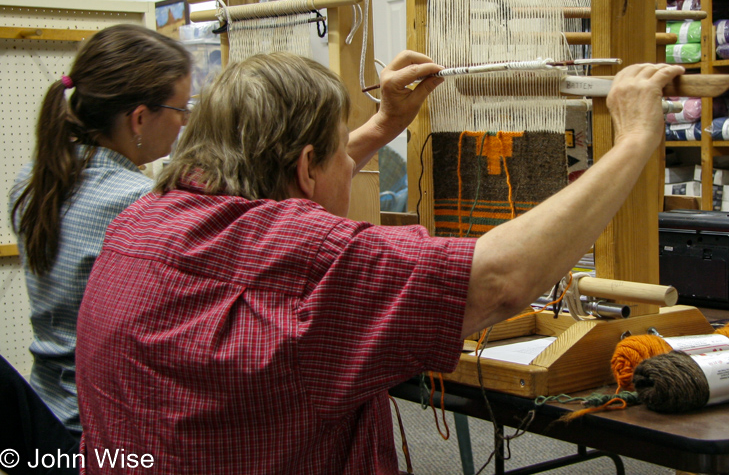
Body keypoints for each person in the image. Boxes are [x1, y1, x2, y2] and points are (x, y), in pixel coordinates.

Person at [74, 51, 684, 473]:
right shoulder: (308, 257)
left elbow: (286, 177)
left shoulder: (141, 221)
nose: (353, 163)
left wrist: (387, 122)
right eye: (344, 152)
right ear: (309, 165)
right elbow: (503, 280)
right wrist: (633, 137)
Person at [8, 24, 192, 436]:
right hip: (104, 433)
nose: (183, 123)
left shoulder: (33, 180)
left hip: (45, 417)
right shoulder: (139, 203)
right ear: (140, 118)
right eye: (181, 110)